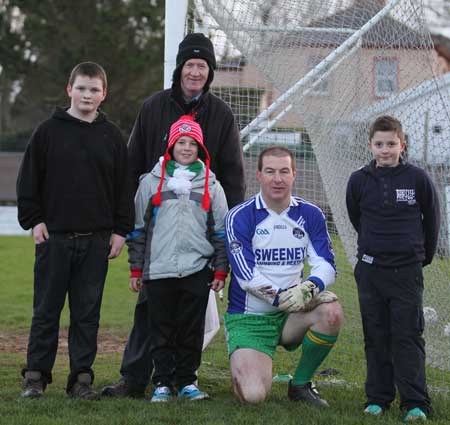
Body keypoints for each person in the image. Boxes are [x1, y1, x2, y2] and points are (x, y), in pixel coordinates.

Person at [102, 32, 245, 398]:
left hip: (197, 237)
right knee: (150, 306)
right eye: (190, 64)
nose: (195, 72)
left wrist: (225, 235)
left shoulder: (222, 115)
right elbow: (134, 165)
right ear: (180, 68)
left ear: (209, 72)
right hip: (159, 232)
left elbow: (232, 176)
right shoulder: (153, 107)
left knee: (189, 314)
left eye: (202, 66)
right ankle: (135, 379)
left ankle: (183, 378)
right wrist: (130, 222)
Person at [16, 62, 134, 400]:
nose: (87, 95)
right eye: (82, 88)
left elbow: (123, 189)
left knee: (87, 315)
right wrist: (34, 220)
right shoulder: (48, 132)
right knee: (46, 312)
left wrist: (120, 231)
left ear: (103, 95)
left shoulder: (111, 136)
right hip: (54, 239)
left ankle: (81, 378)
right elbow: (28, 181)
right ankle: (36, 376)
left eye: (94, 89)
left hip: (96, 241)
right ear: (70, 90)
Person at [224, 146, 343, 406]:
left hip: (292, 315)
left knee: (331, 312)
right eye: (270, 171)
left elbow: (326, 264)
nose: (277, 179)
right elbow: (246, 276)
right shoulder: (239, 216)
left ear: (294, 174)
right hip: (250, 319)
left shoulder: (310, 214)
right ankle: (244, 360)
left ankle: (300, 384)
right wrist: (282, 298)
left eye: (283, 171)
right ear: (258, 175)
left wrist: (309, 289)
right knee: (253, 397)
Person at [127, 115, 228, 401]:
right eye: (181, 142)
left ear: (200, 148)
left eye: (192, 143)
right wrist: (136, 269)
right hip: (158, 270)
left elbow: (221, 232)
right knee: (161, 330)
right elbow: (138, 229)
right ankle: (162, 382)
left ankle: (187, 381)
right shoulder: (150, 183)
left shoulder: (211, 185)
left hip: (196, 270)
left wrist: (220, 270)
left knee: (190, 330)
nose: (186, 148)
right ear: (171, 146)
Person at [346, 115, 440, 422]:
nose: (385, 150)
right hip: (371, 271)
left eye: (391, 144)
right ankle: (378, 397)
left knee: (407, 335)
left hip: (406, 273)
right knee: (376, 334)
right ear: (370, 145)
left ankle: (415, 402)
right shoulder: (359, 180)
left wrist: (417, 256)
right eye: (379, 144)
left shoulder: (417, 178)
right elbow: (356, 217)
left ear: (403, 144)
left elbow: (432, 220)